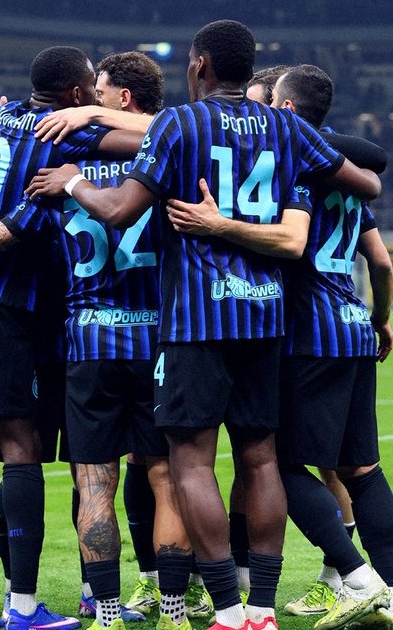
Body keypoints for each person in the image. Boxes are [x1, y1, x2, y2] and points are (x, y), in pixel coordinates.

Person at [25, 20, 382, 630]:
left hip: (196, 320)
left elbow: (119, 210)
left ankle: (227, 608)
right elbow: (367, 180)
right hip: (265, 317)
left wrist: (74, 180)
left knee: (190, 462)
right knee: (261, 458)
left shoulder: (180, 124)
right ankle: (262, 609)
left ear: (199, 66)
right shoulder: (286, 126)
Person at [0, 49, 199, 630]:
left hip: (27, 320)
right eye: (89, 95)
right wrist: (87, 124)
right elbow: (175, 135)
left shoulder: (23, 137)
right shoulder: (96, 151)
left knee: (44, 463)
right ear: (75, 94)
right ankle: (146, 605)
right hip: (111, 329)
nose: (93, 104)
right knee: (126, 466)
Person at [164, 63, 393, 630]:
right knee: (361, 468)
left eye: (267, 105)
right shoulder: (340, 176)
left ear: (286, 111)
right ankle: (385, 588)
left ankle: (354, 576)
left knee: (275, 462)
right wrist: (381, 320)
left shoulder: (296, 166)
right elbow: (382, 261)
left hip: (307, 331)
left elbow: (294, 240)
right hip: (353, 326)